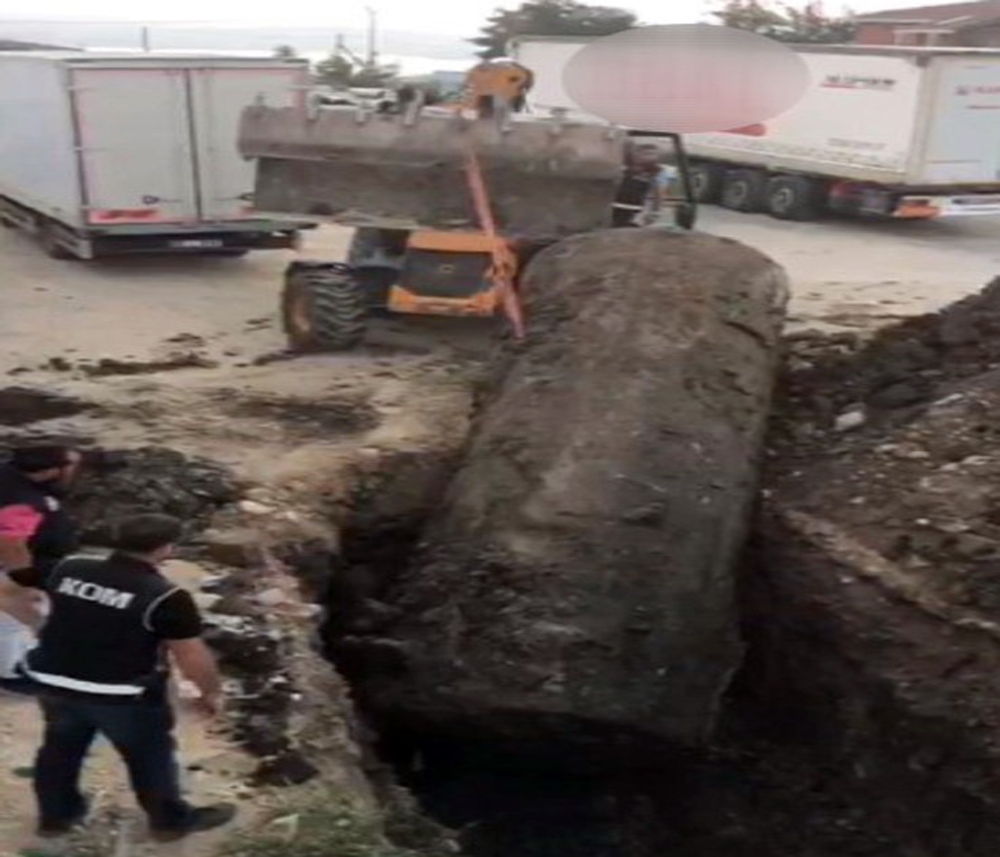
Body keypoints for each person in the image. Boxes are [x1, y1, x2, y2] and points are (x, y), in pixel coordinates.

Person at [0, 513, 236, 841]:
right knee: (149, 757)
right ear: (165, 549)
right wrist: (210, 692)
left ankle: (56, 818)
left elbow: (7, 589)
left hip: (54, 682)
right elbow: (190, 655)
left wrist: (38, 625)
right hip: (122, 694)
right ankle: (169, 823)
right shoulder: (165, 597)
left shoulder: (68, 568)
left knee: (59, 750)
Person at [0, 446, 82, 679]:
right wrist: (25, 582)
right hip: (19, 565)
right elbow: (10, 543)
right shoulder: (23, 501)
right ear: (49, 472)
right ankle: (10, 672)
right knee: (14, 616)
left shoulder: (9, 472)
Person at [611, 143, 677, 228]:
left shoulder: (657, 172)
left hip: (637, 210)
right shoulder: (625, 168)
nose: (648, 157)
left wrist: (656, 212)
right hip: (616, 206)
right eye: (644, 154)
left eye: (651, 154)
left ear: (657, 157)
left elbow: (659, 193)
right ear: (636, 155)